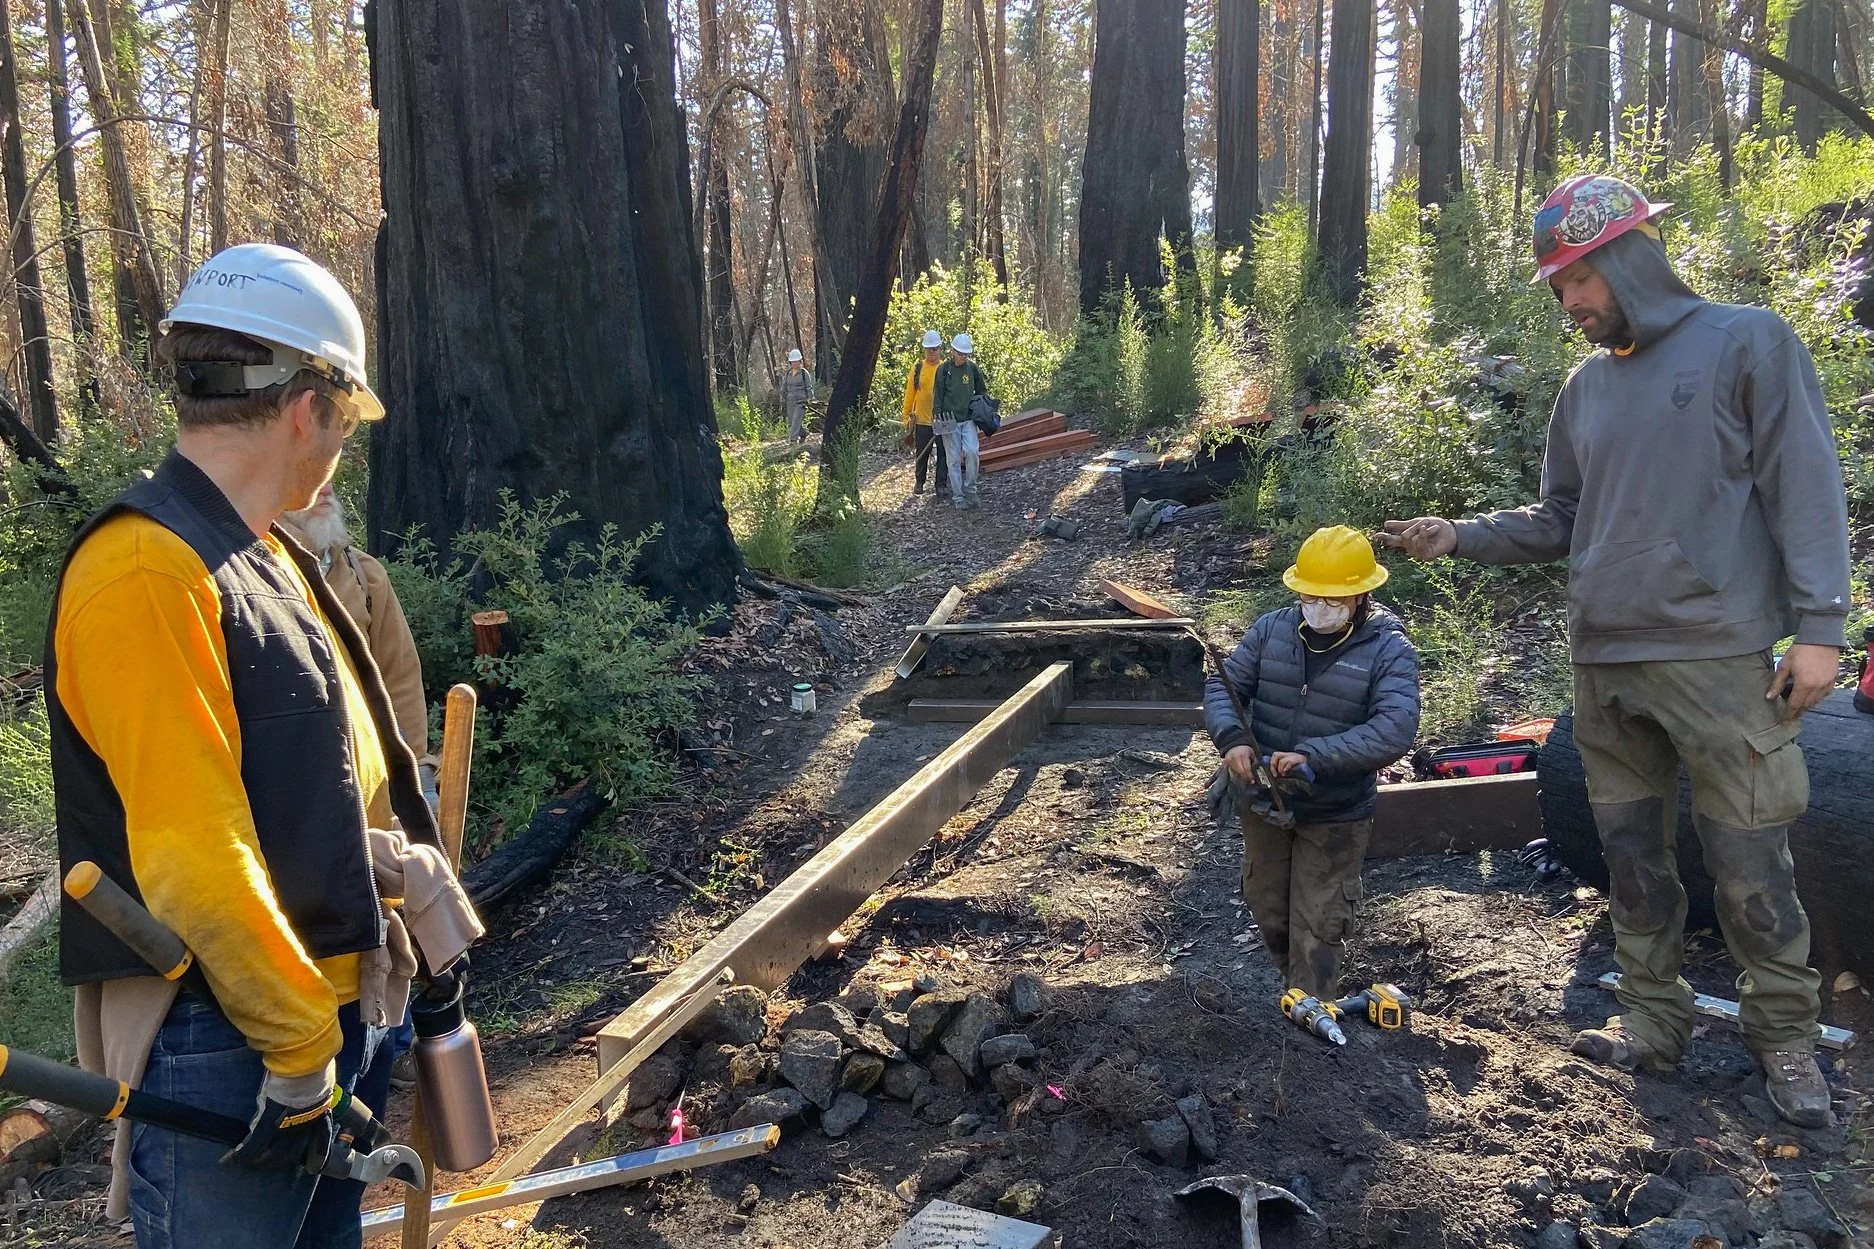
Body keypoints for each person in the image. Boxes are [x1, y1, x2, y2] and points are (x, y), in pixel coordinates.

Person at [1381, 173, 1852, 1129]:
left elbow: (1805, 480)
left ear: (1624, 256)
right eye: (1558, 291)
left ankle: (1788, 1041)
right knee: (1633, 857)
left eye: (1574, 283)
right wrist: (1459, 534)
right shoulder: (1584, 388)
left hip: (1718, 658)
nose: (1570, 306)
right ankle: (1651, 1022)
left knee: (1752, 860)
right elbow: (1561, 517)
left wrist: (1822, 629)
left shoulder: (1747, 341)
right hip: (1604, 663)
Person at [49, 243, 461, 1247]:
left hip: (314, 1022)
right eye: (345, 424)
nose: (342, 448)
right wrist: (295, 1051)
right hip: (233, 1039)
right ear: (305, 409)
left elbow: (293, 782)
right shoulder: (146, 571)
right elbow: (196, 857)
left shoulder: (256, 549)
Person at [1203, 526, 1421, 1000]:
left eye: (1333, 602)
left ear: (1361, 596)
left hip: (1336, 811)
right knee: (1268, 905)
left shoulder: (1388, 650)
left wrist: (1314, 756)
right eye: (1310, 598)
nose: (1319, 610)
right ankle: (1295, 992)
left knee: (1320, 919)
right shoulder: (1270, 631)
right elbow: (1226, 687)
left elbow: (1395, 728)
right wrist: (1234, 739)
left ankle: (1313, 1008)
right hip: (1264, 799)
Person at [279, 482, 437, 1092]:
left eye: (326, 491)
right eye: (304, 490)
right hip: (310, 811)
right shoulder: (252, 578)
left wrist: (415, 773)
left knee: (396, 921)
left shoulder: (366, 578)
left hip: (379, 802)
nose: (320, 495)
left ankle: (388, 1042)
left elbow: (400, 678)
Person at [932, 332, 988, 509]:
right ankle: (958, 497)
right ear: (953, 351)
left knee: (972, 452)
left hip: (968, 418)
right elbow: (938, 395)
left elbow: (981, 391)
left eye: (966, 354)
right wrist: (937, 415)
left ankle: (971, 490)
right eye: (961, 353)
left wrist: (981, 408)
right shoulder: (943, 370)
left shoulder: (972, 369)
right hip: (949, 421)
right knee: (953, 459)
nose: (964, 357)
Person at [902, 329, 950, 498]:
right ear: (924, 350)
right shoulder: (918, 369)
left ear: (940, 348)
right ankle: (919, 482)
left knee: (943, 453)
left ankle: (941, 485)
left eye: (935, 348)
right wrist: (907, 415)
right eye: (929, 349)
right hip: (922, 420)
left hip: (942, 420)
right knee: (922, 452)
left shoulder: (945, 369)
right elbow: (910, 393)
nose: (932, 352)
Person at [781, 347, 814, 444]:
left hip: (801, 401)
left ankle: (793, 440)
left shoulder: (804, 373)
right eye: (793, 362)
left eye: (797, 361)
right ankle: (803, 433)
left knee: (796, 419)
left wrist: (810, 398)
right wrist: (782, 396)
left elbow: (809, 387)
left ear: (800, 361)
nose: (795, 363)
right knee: (793, 420)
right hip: (790, 401)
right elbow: (784, 386)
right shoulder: (788, 374)